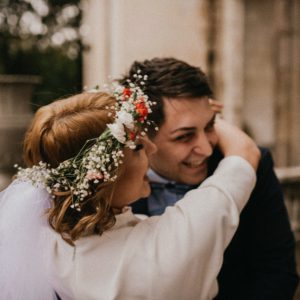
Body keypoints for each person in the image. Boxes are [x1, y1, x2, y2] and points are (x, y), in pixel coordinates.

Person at [0, 78, 260, 300]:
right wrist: (208, 118)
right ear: (102, 177)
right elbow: (245, 153)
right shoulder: (176, 241)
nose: (152, 148)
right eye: (137, 148)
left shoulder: (43, 245)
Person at [120, 57, 299, 299]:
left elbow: (278, 273)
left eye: (210, 126)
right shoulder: (112, 184)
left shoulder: (252, 167)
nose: (205, 148)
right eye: (184, 136)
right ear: (142, 137)